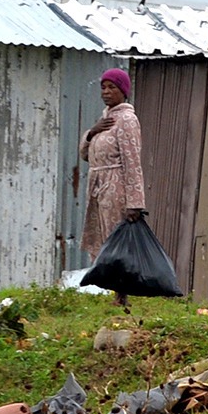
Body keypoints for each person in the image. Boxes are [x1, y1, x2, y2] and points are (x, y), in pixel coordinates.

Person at [80, 67, 146, 303]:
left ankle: (122, 293)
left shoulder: (127, 120)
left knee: (115, 239)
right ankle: (112, 287)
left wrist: (135, 202)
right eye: (103, 87)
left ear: (123, 91)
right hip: (98, 185)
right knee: (101, 236)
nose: (106, 92)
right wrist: (91, 133)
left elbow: (132, 160)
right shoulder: (106, 119)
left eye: (112, 88)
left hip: (115, 186)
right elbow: (85, 155)